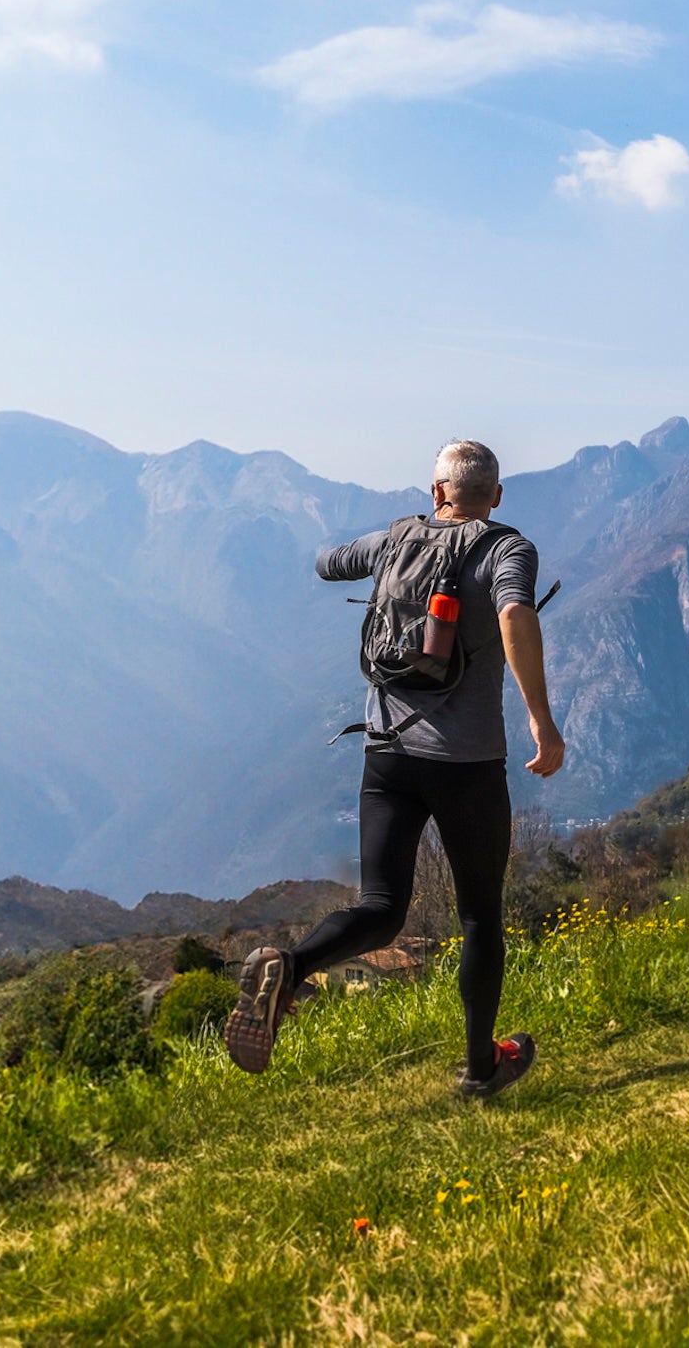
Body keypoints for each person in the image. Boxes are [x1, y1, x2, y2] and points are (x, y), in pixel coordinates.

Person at [223, 438, 565, 1099]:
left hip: (386, 753)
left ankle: (290, 968)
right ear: (494, 497)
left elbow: (327, 564)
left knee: (381, 906)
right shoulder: (505, 549)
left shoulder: (393, 541)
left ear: (436, 493)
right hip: (465, 764)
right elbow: (516, 611)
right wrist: (540, 720)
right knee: (479, 918)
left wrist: (387, 547)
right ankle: (479, 1067)